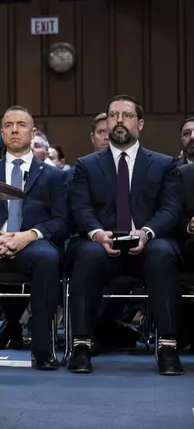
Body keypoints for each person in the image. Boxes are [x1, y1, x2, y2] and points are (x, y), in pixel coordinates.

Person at [67, 95, 184, 375]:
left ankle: (167, 346)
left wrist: (146, 232)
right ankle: (82, 345)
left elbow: (171, 209)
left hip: (147, 245)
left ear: (140, 123)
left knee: (163, 253)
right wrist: (97, 233)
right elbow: (80, 208)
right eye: (113, 115)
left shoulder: (163, 164)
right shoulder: (87, 165)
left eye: (126, 115)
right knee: (86, 252)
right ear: (106, 122)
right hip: (103, 246)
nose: (119, 120)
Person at [0, 107, 68, 370]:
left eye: (21, 125)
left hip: (32, 244)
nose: (15, 130)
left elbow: (62, 221)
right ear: (1, 132)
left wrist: (28, 236)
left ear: (32, 132)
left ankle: (42, 349)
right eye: (9, 125)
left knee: (48, 259)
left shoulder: (54, 176)